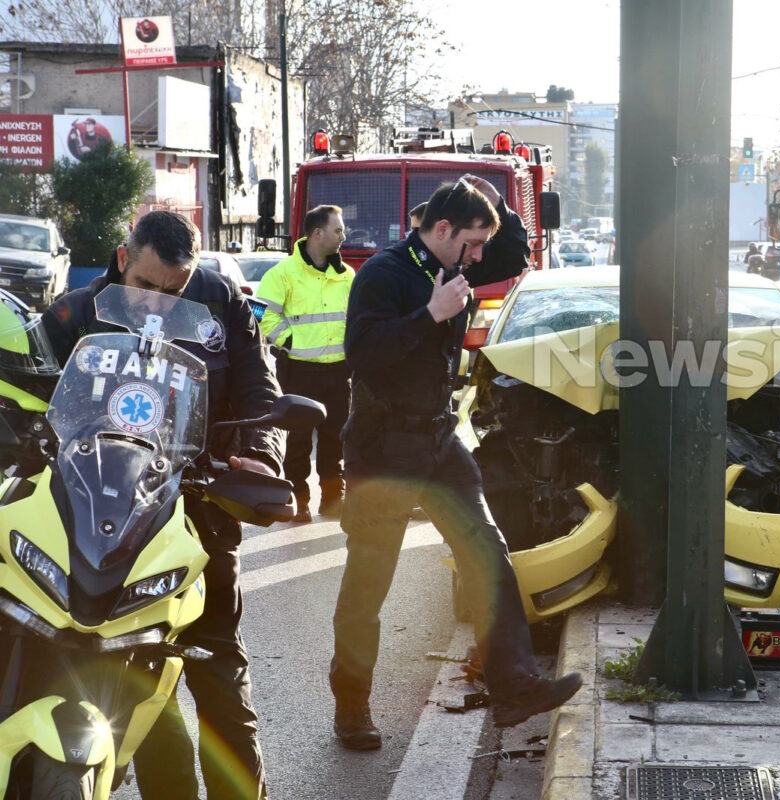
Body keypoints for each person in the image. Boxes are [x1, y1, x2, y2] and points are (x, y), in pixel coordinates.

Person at [329, 175, 582, 750]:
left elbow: (513, 252)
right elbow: (364, 357)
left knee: (487, 553)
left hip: (440, 441)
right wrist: (431, 315)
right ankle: (352, 707)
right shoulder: (386, 274)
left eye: (478, 246)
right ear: (441, 230)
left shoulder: (454, 261)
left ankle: (514, 686)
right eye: (470, 243)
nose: (477, 257)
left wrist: (488, 194)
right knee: (369, 584)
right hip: (384, 449)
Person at [41, 210, 282, 799]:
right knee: (146, 695)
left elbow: (260, 389)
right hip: (96, 525)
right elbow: (26, 396)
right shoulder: (72, 315)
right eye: (146, 288)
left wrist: (259, 452)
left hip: (197, 519)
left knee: (220, 675)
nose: (156, 304)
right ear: (124, 258)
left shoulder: (220, 299)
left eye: (173, 293)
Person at [257, 205, 352, 522]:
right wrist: (290, 342)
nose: (343, 236)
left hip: (339, 371)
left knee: (334, 438)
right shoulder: (283, 274)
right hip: (298, 371)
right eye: (338, 230)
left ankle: (331, 498)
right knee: (296, 439)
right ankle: (299, 499)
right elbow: (262, 315)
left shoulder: (347, 275)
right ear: (317, 234)